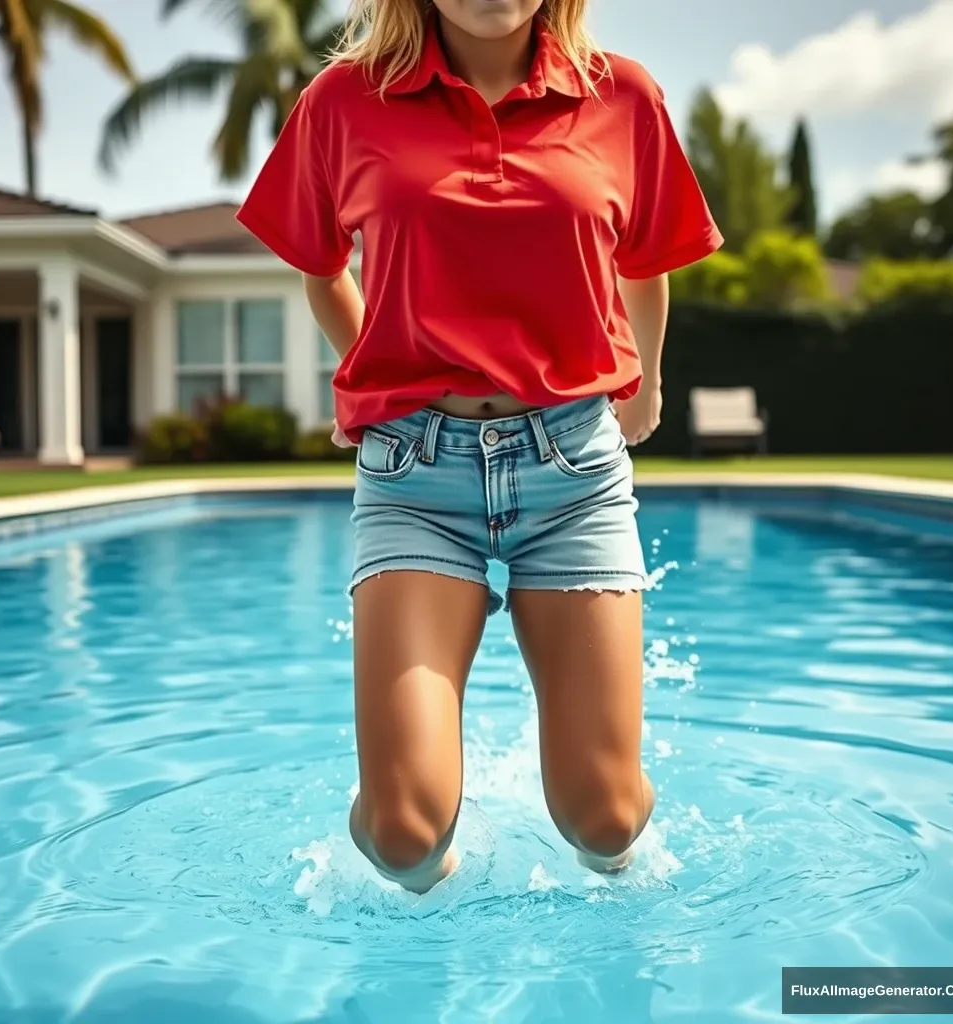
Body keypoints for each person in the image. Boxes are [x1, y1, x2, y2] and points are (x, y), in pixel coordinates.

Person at [237, 0, 722, 895]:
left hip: (573, 476)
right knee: (404, 838)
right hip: (415, 481)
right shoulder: (345, 100)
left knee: (604, 819)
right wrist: (372, 372)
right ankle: (422, 822)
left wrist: (645, 382)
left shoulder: (623, 96)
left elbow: (646, 263)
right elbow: (319, 266)